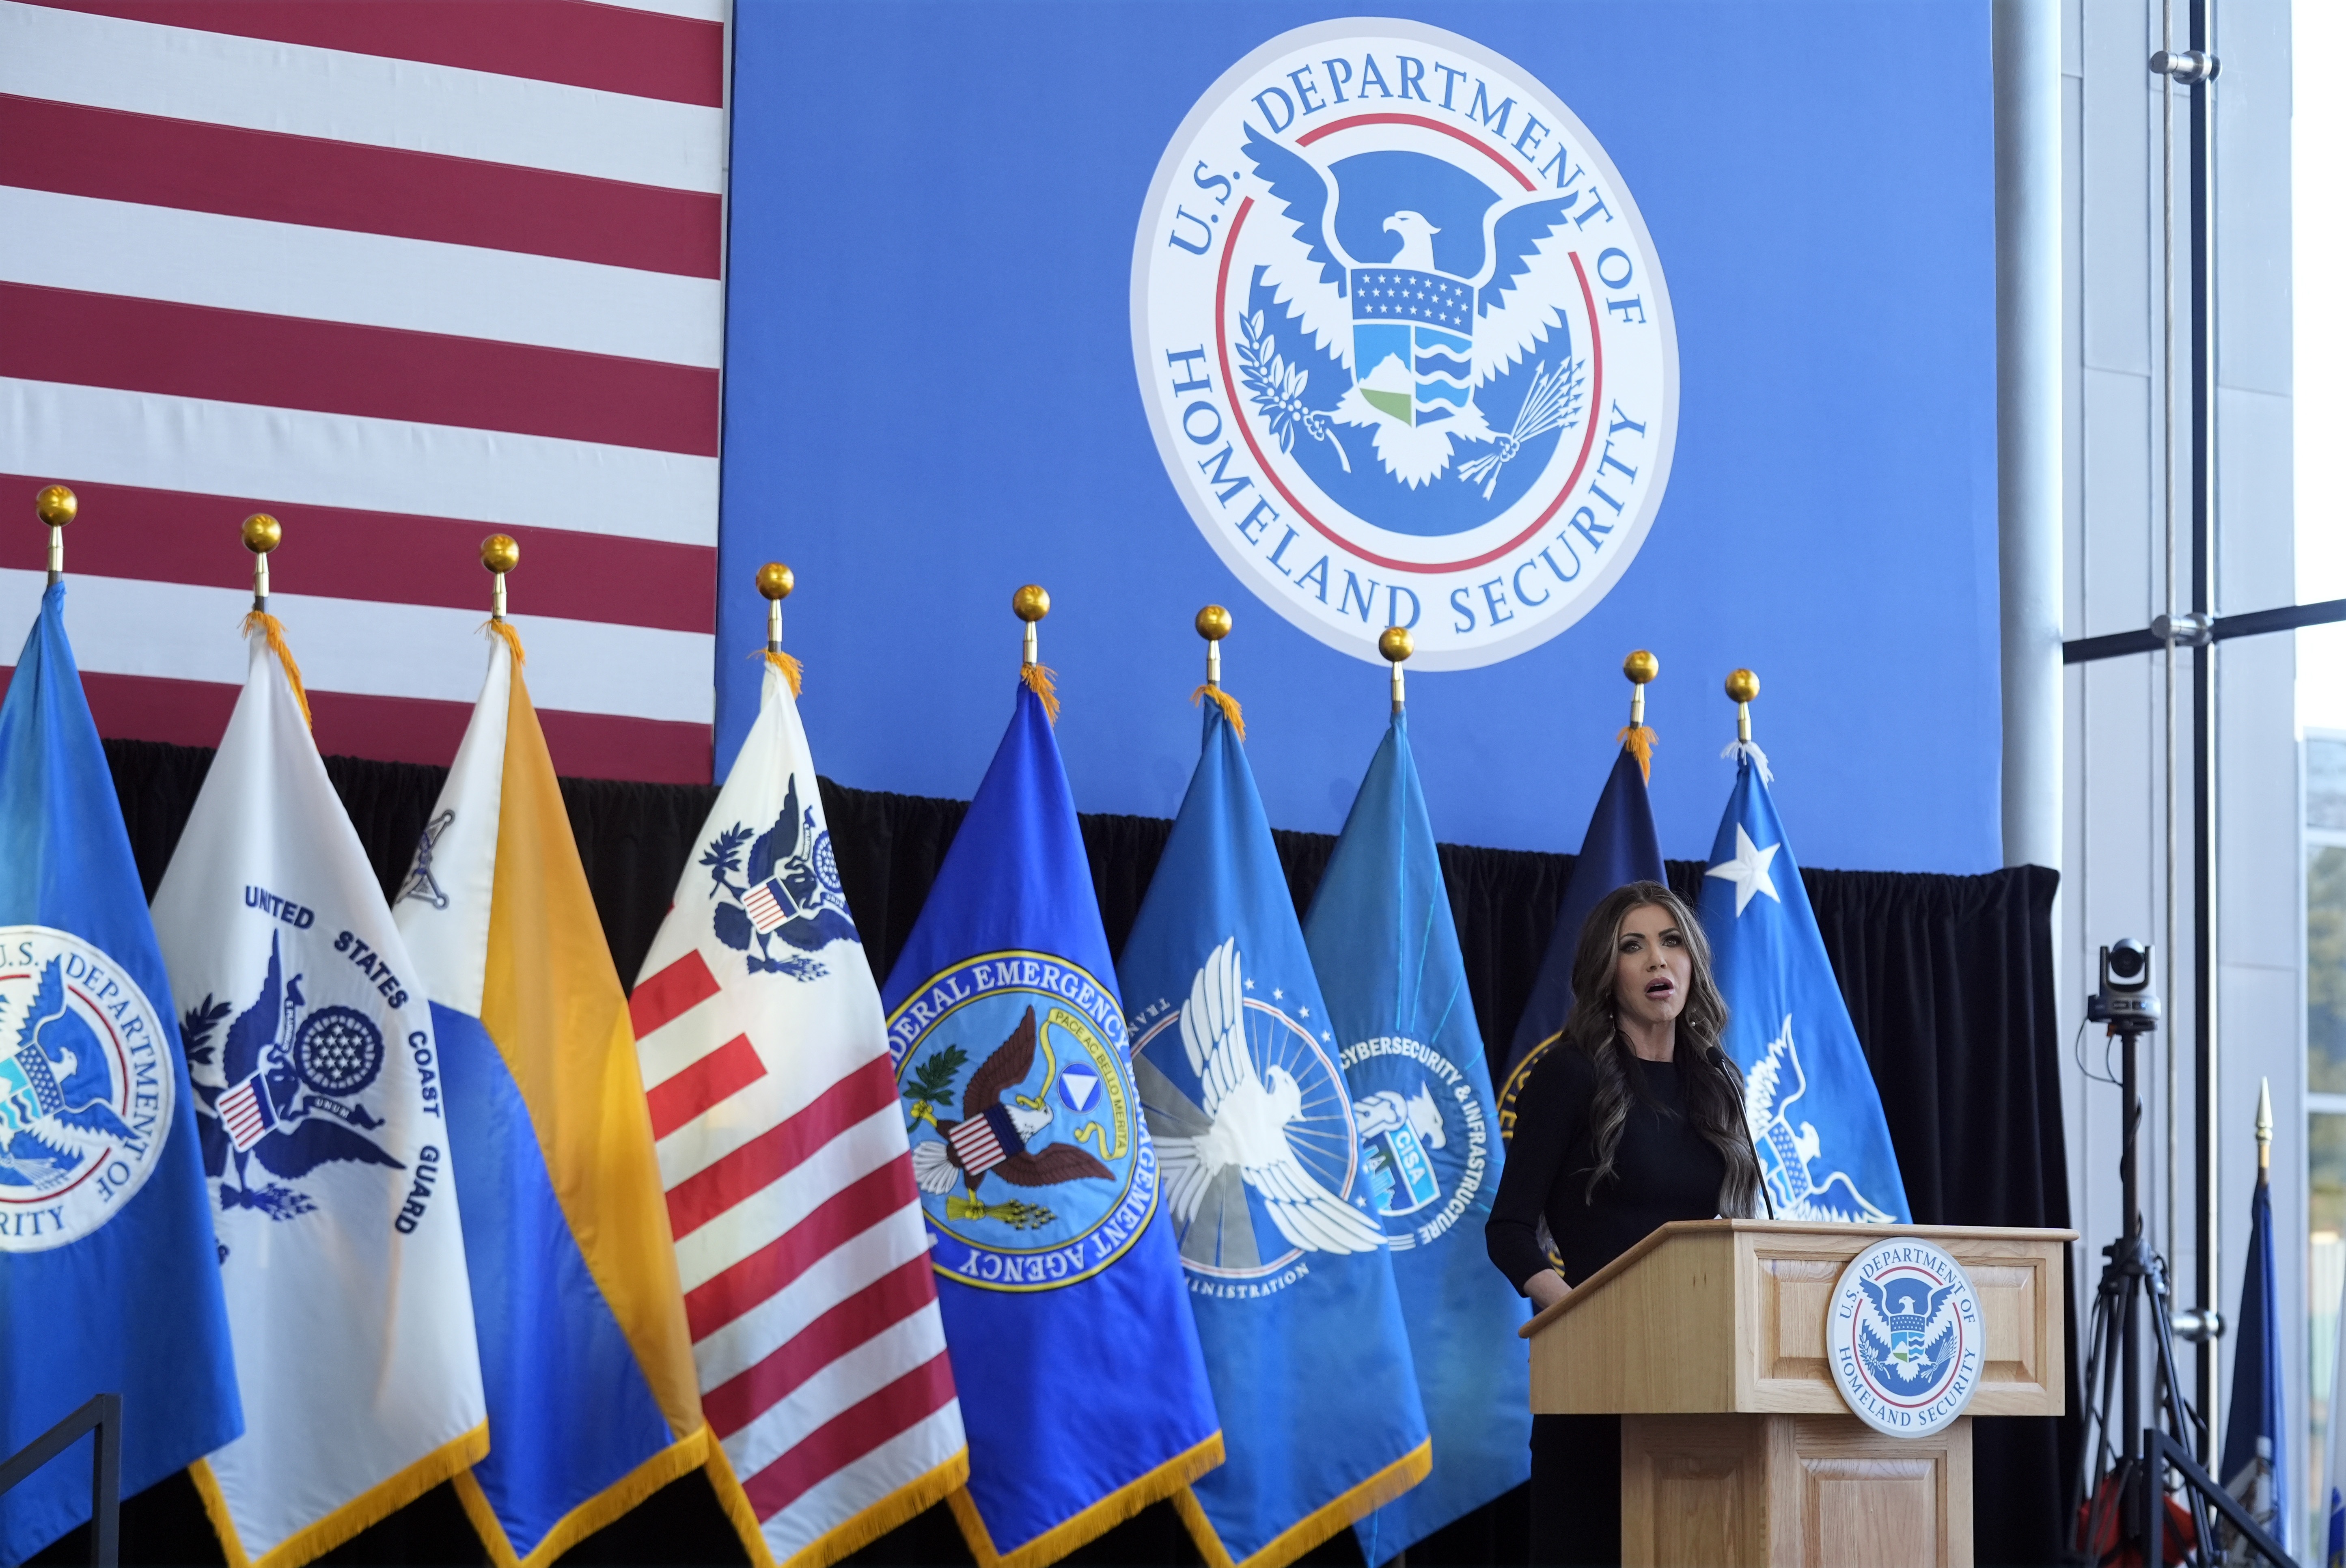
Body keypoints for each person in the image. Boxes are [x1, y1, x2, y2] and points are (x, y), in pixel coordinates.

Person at [1485, 880, 1762, 1567]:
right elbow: (1509, 1229)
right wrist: (1583, 1317)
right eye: (1632, 947)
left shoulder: (1716, 1080)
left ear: (1693, 964)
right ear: (1607, 972)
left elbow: (1733, 1226)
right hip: (1598, 1373)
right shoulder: (1569, 1074)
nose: (1656, 962)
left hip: (1699, 1376)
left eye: (1671, 943)